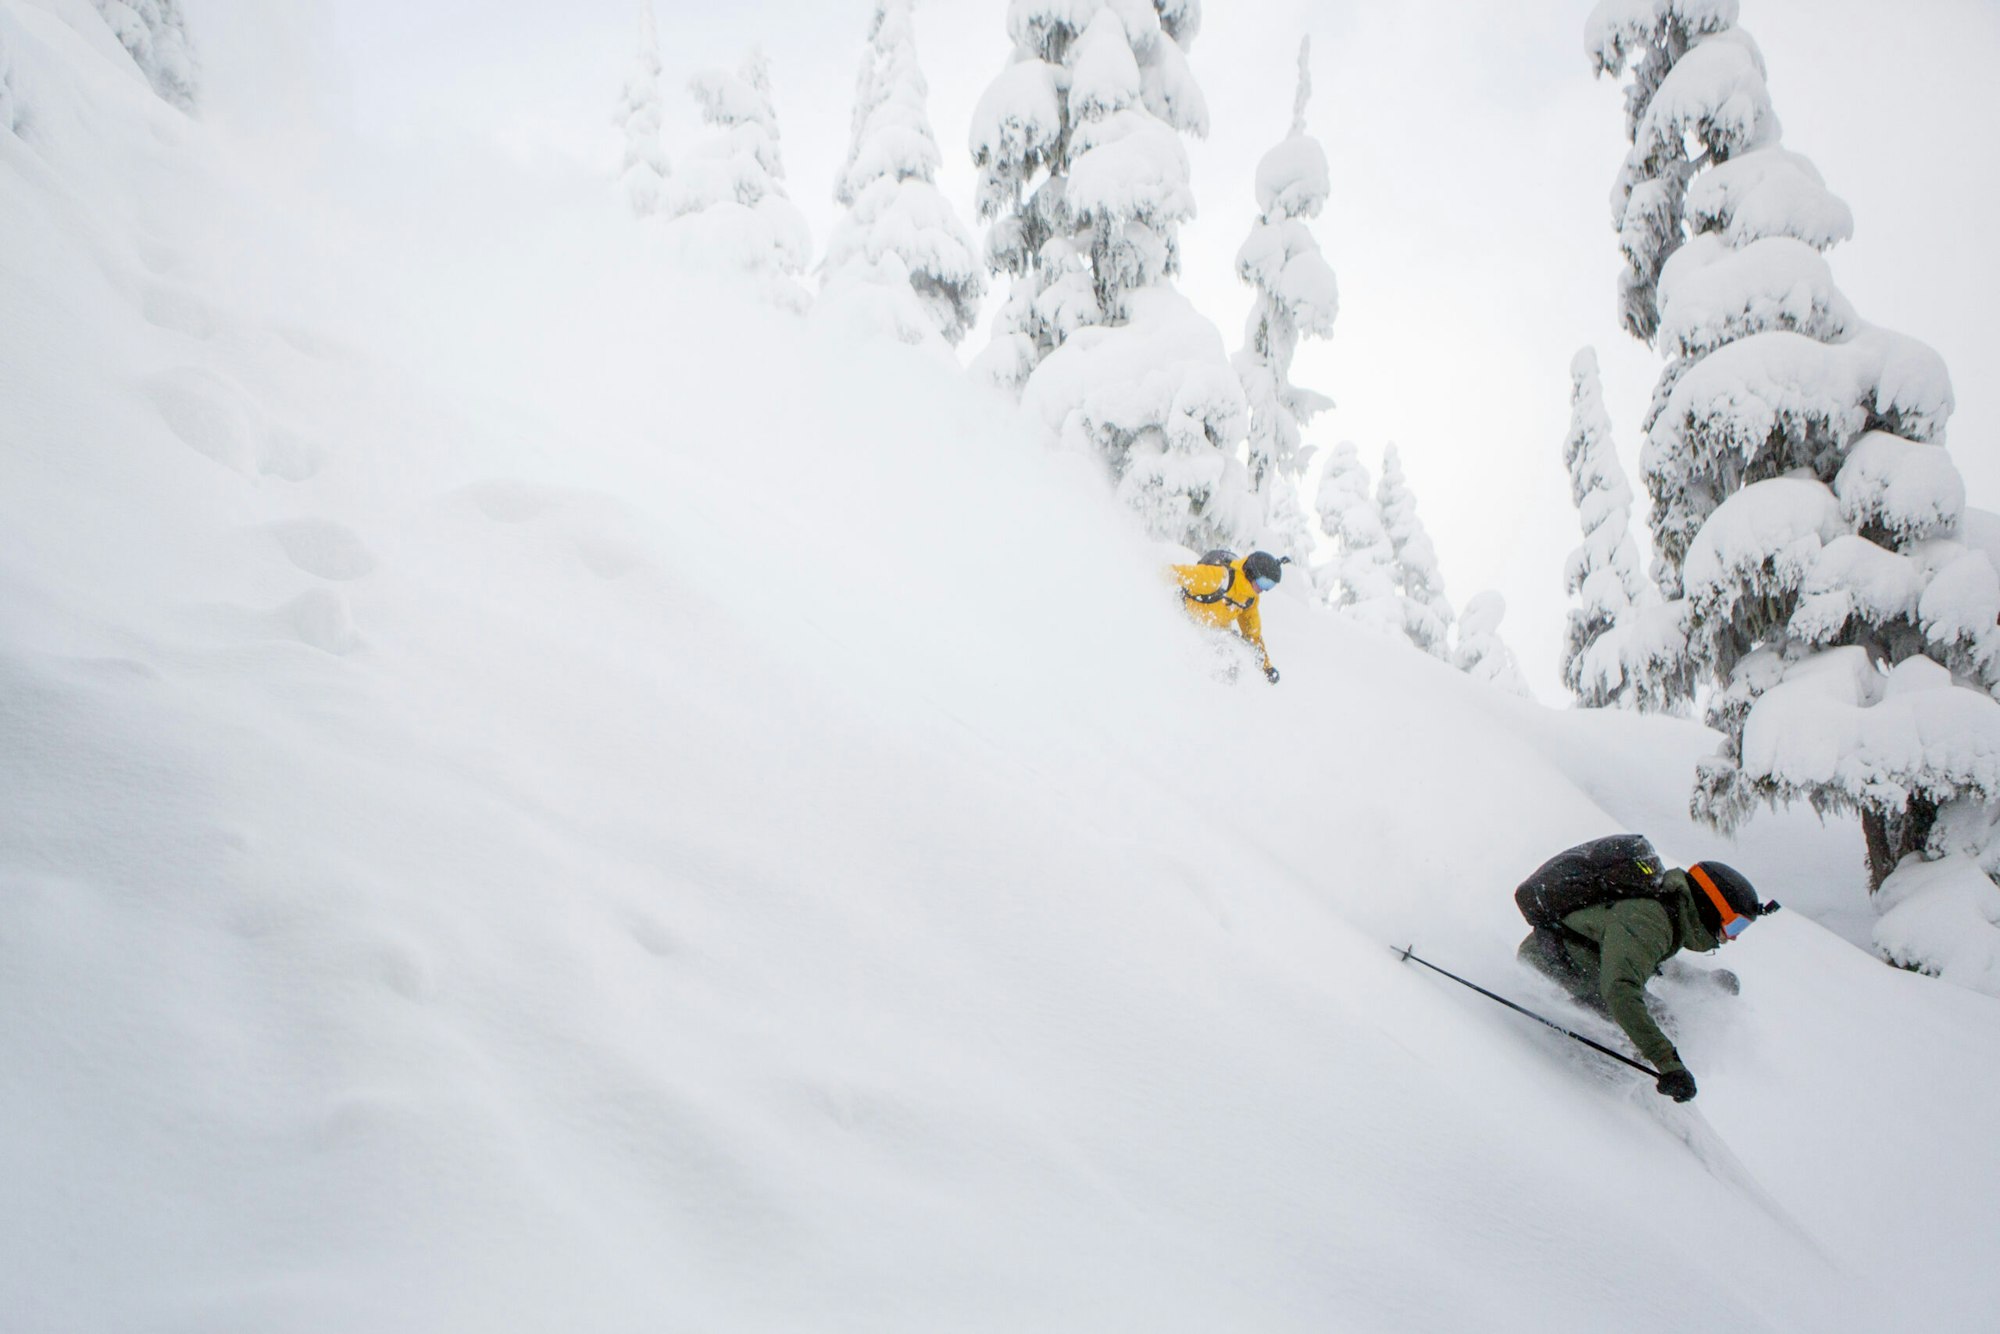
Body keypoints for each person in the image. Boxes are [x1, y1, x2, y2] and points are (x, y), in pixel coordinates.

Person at [1514, 837, 1779, 1102]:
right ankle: (1593, 1092)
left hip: (1575, 965)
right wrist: (1668, 1064)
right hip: (1553, 964)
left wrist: (1703, 980)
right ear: (1710, 908)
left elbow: (1647, 959)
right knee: (1657, 1021)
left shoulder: (1666, 914)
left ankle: (1621, 1086)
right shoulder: (1650, 919)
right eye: (1733, 926)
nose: (1731, 938)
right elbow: (1620, 989)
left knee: (1663, 1020)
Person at [1173, 549, 1284, 683]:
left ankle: (1221, 698)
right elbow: (1177, 573)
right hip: (1185, 620)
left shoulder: (1250, 599)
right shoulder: (1219, 577)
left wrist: (1266, 667)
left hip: (1215, 633)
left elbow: (1252, 635)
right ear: (1251, 573)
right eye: (1264, 583)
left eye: (1269, 586)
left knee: (1232, 666)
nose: (1264, 589)